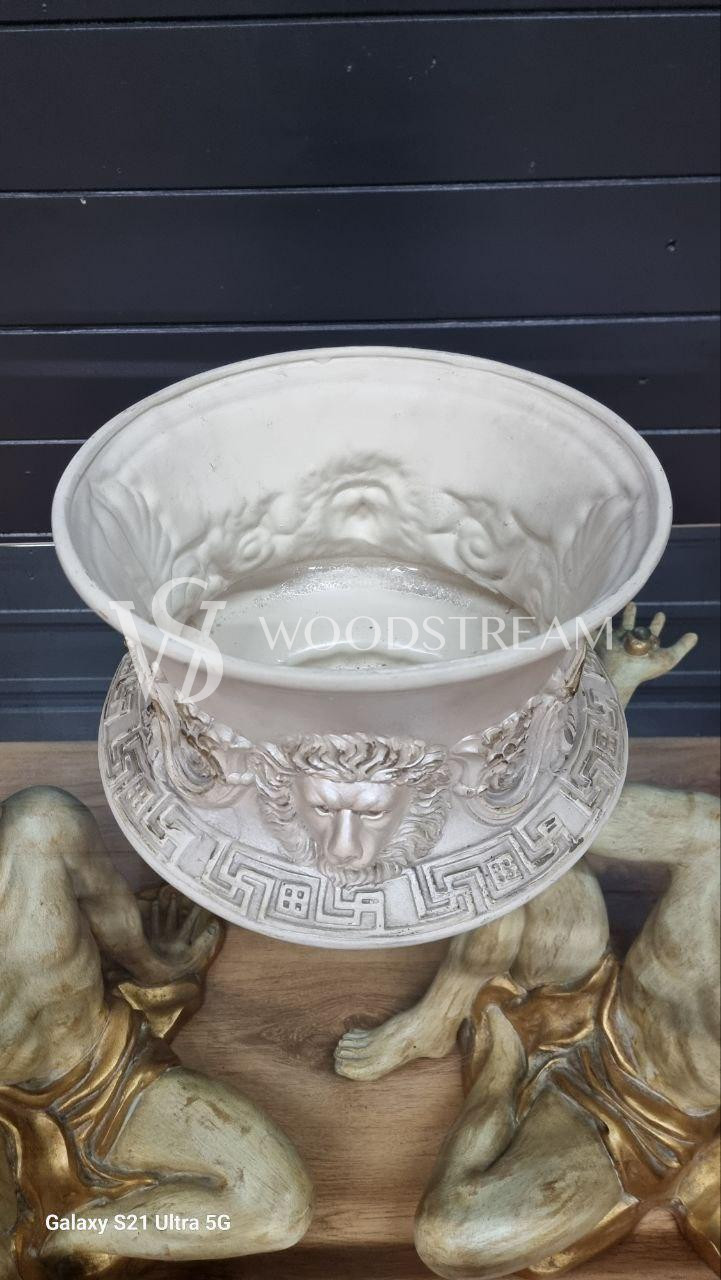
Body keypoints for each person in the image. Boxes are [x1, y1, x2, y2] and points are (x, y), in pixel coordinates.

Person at [336, 607, 720, 1277]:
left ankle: (499, 1043)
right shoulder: (714, 842)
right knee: (515, 841)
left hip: (631, 1130)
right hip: (589, 994)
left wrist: (503, 1061)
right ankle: (437, 1020)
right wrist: (613, 687)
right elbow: (548, 815)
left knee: (452, 1238)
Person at [0, 787, 313, 1280]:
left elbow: (109, 908)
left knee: (278, 1206)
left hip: (108, 1070)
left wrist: (158, 967)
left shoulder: (42, 824)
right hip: (8, 1131)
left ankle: (75, 1234)